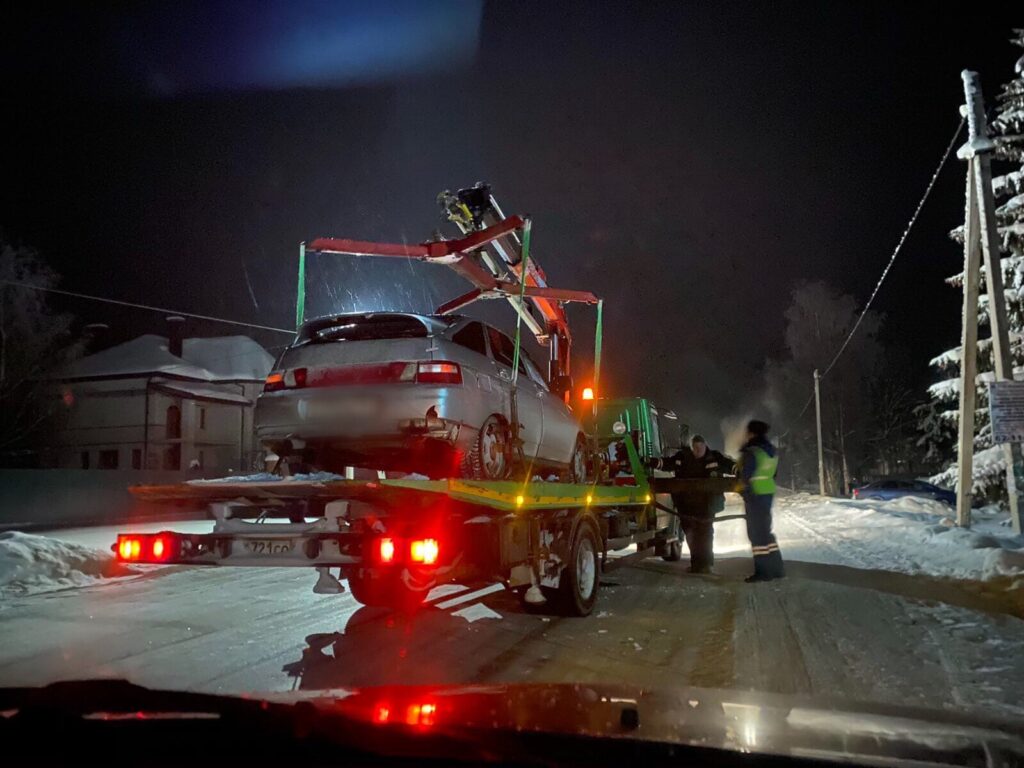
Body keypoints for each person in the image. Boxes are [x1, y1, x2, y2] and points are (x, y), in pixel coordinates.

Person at [656, 434, 735, 574]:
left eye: (700, 447)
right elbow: (667, 463)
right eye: (695, 448)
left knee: (705, 535)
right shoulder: (682, 457)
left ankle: (706, 564)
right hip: (686, 507)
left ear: (705, 446)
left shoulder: (715, 458)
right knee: (691, 535)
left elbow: (730, 466)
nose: (698, 450)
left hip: (707, 507)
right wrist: (652, 462)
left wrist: (741, 471)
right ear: (692, 448)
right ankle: (696, 564)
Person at [739, 419, 784, 582]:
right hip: (767, 493)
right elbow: (774, 473)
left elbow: (745, 476)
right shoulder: (771, 450)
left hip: (755, 495)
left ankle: (763, 572)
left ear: (752, 433)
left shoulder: (752, 452)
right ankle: (777, 568)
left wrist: (744, 491)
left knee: (756, 534)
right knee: (766, 532)